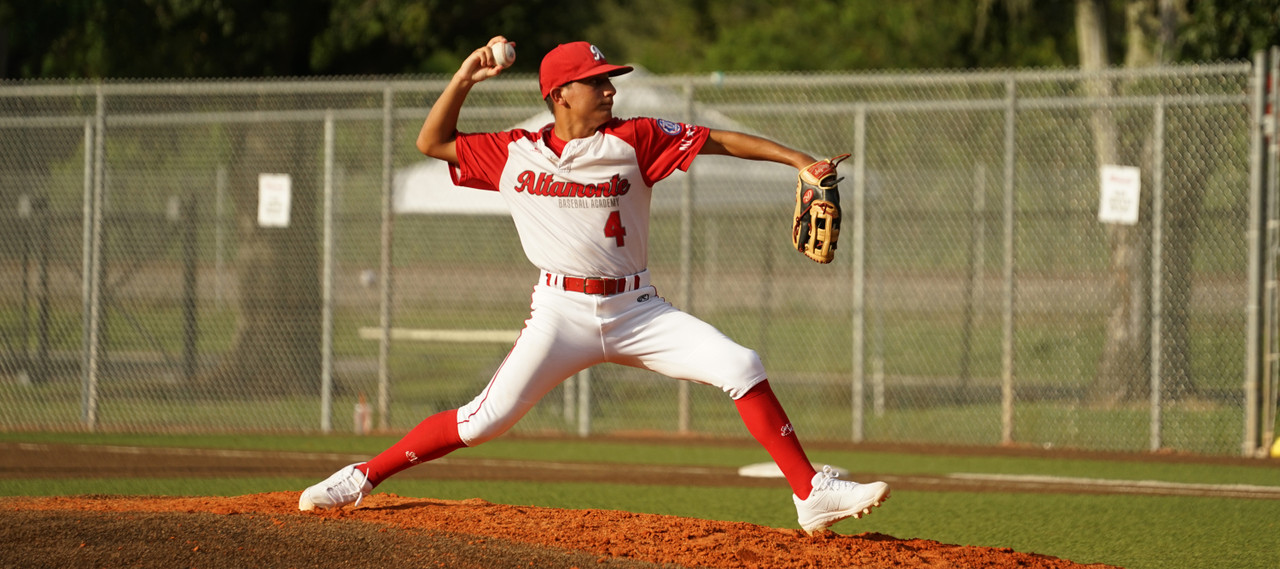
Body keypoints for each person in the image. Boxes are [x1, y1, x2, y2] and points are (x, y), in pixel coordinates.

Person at [299, 36, 890, 535]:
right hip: (559, 313)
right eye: (597, 82)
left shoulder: (635, 138)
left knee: (741, 364)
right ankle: (360, 476)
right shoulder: (514, 152)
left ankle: (809, 493)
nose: (610, 90)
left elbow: (718, 140)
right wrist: (464, 77)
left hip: (638, 310)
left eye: (610, 81)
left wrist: (799, 161)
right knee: (483, 421)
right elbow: (431, 143)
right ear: (560, 95)